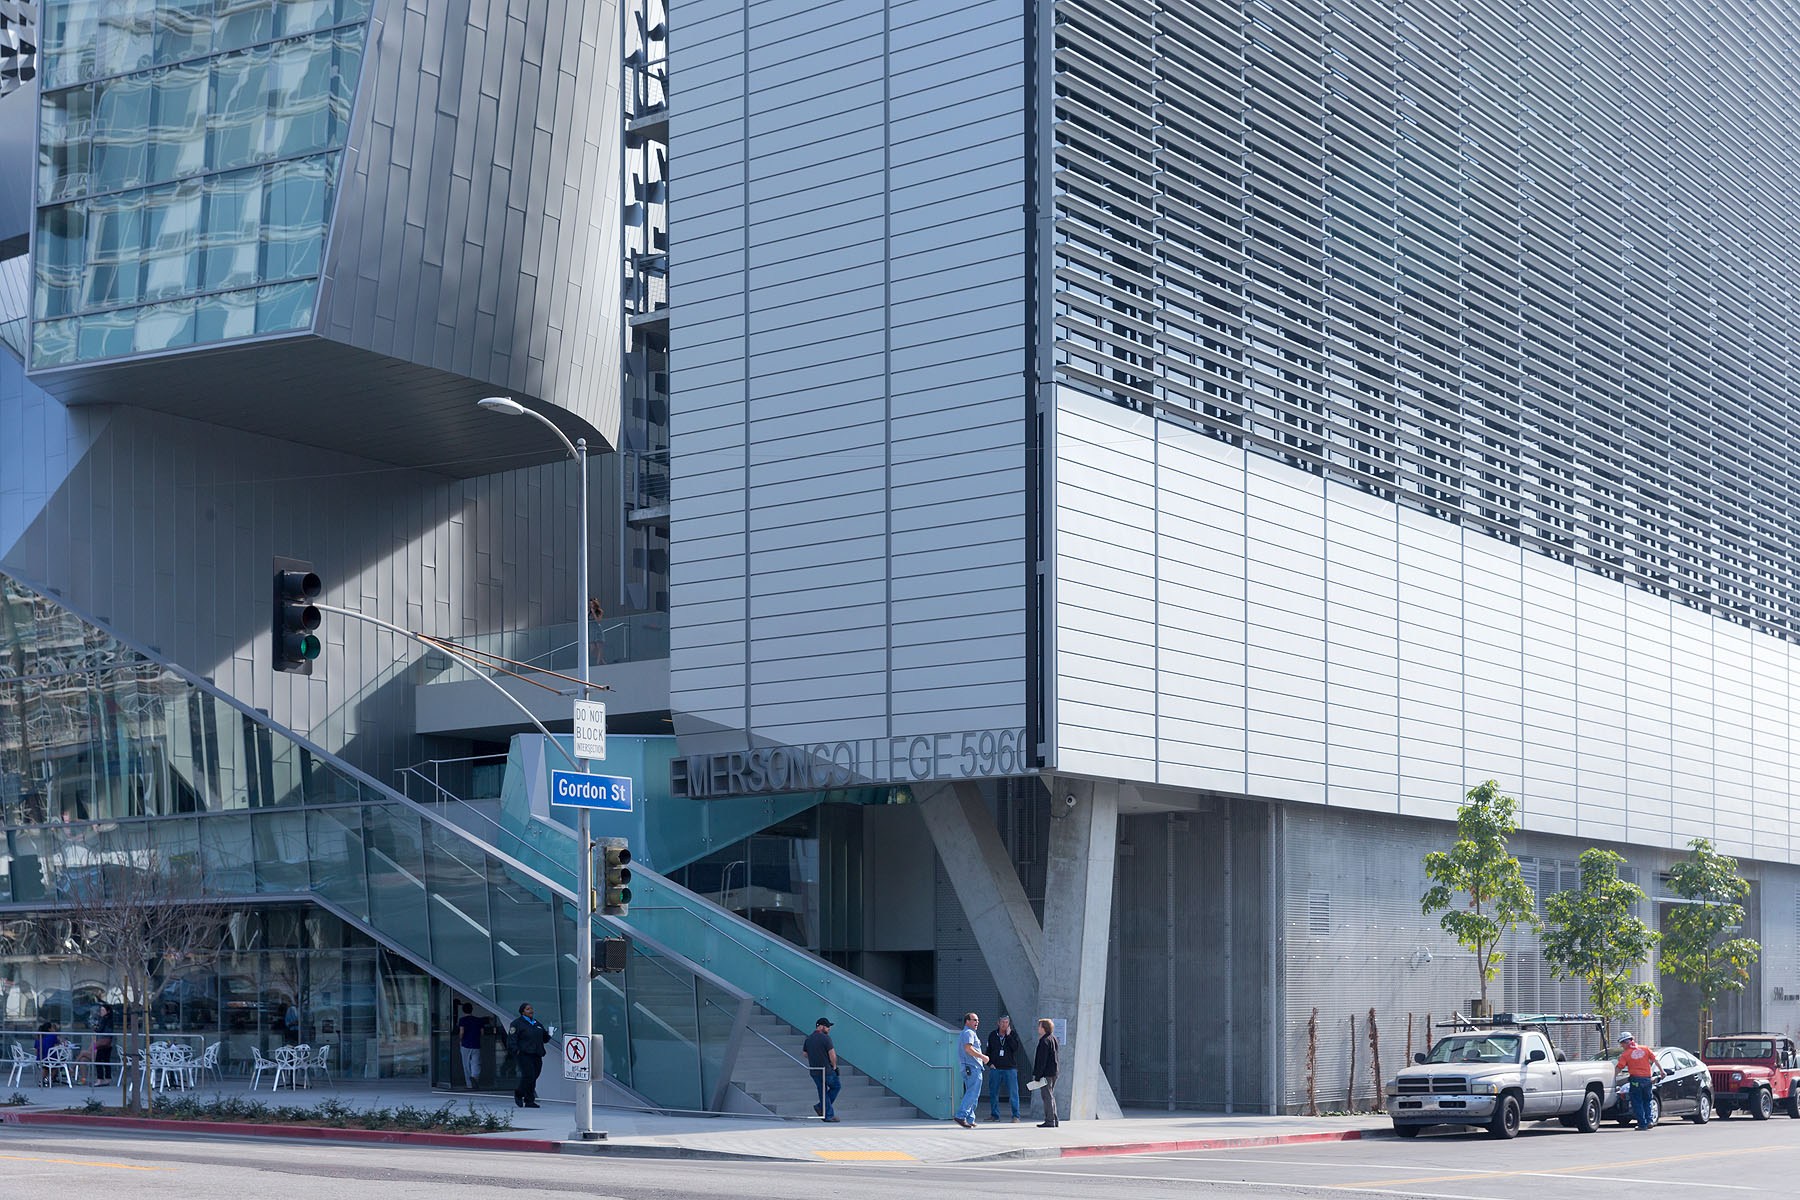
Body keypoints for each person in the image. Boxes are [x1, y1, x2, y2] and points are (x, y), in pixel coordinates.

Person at [508, 1002, 550, 1107]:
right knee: (529, 1075)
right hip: (524, 1054)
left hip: (537, 1053)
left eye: (531, 1008)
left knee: (534, 1076)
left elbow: (544, 1038)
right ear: (522, 1012)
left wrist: (549, 1033)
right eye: (528, 1009)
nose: (531, 1010)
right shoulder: (517, 1023)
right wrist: (516, 1051)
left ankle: (529, 1100)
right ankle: (519, 1093)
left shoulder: (536, 1023)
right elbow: (512, 1038)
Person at [985, 1014, 1025, 1122]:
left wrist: (1008, 1036)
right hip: (996, 1068)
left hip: (1010, 1069)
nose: (1004, 1024)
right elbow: (988, 1051)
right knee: (993, 1093)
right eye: (1002, 1022)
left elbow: (1015, 1048)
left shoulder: (1013, 1034)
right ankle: (995, 1115)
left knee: (1013, 1093)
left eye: (1006, 1022)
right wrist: (990, 1064)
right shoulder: (992, 1035)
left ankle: (1016, 1116)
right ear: (998, 1023)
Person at [1616, 1032, 1659, 1130]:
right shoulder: (1645, 1049)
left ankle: (1642, 1124)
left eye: (1622, 1043)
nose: (1621, 1046)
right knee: (1647, 1101)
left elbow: (1619, 1067)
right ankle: (1649, 1121)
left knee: (1637, 1102)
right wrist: (1662, 1071)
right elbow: (1655, 1060)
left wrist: (1612, 1077)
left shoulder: (1626, 1054)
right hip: (1647, 1080)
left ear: (1626, 1042)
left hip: (1636, 1080)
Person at [953, 1012, 988, 1128]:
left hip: (972, 1067)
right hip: (971, 1067)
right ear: (967, 1021)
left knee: (973, 1093)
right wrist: (982, 1057)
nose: (977, 1022)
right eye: (974, 1020)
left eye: (977, 1020)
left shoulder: (970, 1033)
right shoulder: (968, 1033)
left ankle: (970, 1118)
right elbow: (968, 1048)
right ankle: (961, 1116)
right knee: (972, 1093)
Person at [802, 1016, 841, 1121]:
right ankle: (825, 1112)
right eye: (827, 1026)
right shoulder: (826, 1038)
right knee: (836, 1086)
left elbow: (805, 1054)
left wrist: (815, 1056)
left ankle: (824, 1110)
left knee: (822, 1092)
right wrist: (834, 1066)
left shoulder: (809, 1039)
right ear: (821, 1026)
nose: (829, 1029)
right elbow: (832, 1055)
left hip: (814, 1071)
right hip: (827, 1070)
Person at [1032, 1017, 1060, 1128]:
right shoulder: (1053, 1039)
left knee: (1047, 1096)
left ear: (1044, 1028)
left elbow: (1042, 1061)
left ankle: (1050, 1120)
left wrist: (1038, 1076)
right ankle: (1054, 1119)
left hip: (1046, 1073)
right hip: (1053, 1072)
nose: (1038, 1028)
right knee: (1050, 1095)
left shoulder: (1044, 1041)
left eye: (1039, 1026)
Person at [456, 1002, 488, 1090]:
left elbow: (462, 1032)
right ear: (472, 1010)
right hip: (476, 1044)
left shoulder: (462, 1020)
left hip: (465, 1044)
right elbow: (482, 1033)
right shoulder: (479, 1020)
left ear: (463, 1010)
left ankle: (469, 1084)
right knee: (476, 1063)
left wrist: (460, 1040)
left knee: (466, 1064)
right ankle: (475, 1077)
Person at [85, 1003, 115, 1084]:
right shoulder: (109, 1019)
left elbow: (100, 1029)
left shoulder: (104, 1019)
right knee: (106, 1060)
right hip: (107, 1042)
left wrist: (95, 1028)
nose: (101, 1012)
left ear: (107, 1011)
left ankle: (100, 1079)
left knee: (98, 1059)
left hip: (103, 1041)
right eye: (100, 1010)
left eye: (103, 1010)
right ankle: (107, 1078)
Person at [35, 1021, 59, 1087]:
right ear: (49, 1029)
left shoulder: (39, 1037)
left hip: (40, 1058)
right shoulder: (53, 1036)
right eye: (52, 1028)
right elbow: (57, 1046)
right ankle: (49, 1079)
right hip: (49, 1059)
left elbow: (36, 1050)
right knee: (59, 1062)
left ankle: (42, 1080)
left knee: (46, 1066)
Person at [587, 598, 606, 665]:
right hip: (591, 631)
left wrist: (594, 613)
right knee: (592, 649)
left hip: (597, 630)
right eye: (590, 604)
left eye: (592, 604)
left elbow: (598, 621)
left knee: (599, 647)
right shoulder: (589, 612)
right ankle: (602, 660)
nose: (591, 605)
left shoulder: (599, 611)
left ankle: (598, 663)